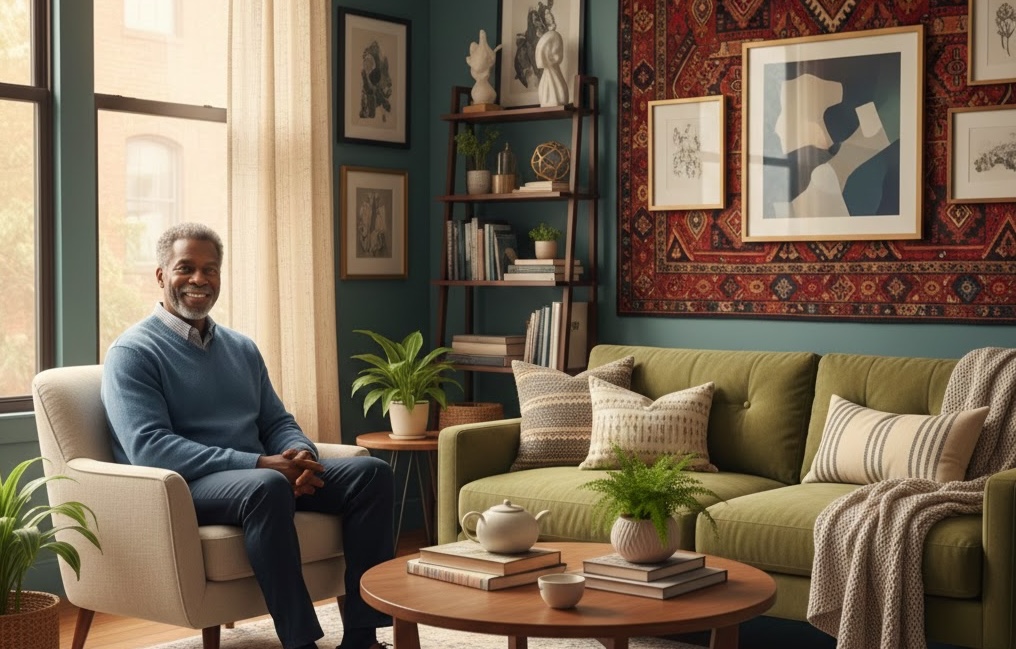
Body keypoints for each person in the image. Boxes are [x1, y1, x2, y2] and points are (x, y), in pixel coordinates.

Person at [101, 222, 394, 649]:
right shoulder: (132, 353)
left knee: (371, 474)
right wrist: (259, 464)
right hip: (185, 486)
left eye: (211, 269)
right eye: (186, 267)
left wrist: (300, 456)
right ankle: (301, 642)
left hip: (261, 479)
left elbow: (275, 421)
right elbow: (150, 447)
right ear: (162, 275)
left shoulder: (241, 348)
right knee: (268, 485)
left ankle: (363, 638)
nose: (200, 279)